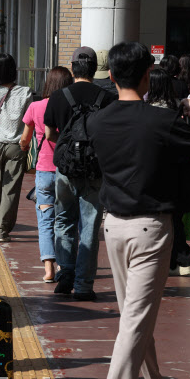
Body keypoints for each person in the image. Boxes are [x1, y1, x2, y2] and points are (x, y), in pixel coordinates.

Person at [87, 41, 190, 379]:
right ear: (147, 76)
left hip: (112, 227)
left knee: (134, 319)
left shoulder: (97, 121)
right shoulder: (161, 121)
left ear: (111, 76)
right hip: (150, 229)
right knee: (135, 322)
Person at [43, 46, 116, 300]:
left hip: (66, 171)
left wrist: (67, 149)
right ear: (95, 69)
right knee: (90, 225)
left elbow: (50, 133)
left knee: (63, 220)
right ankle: (84, 285)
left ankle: (65, 275)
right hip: (95, 171)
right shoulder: (107, 98)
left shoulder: (58, 97)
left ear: (72, 68)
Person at [20, 66, 73, 282]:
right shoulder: (70, 106)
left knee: (45, 220)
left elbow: (24, 139)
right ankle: (65, 263)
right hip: (65, 171)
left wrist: (25, 147)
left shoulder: (35, 106)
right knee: (66, 219)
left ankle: (48, 269)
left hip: (43, 171)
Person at [0, 53, 33, 242]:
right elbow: (28, 122)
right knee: (10, 188)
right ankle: (2, 229)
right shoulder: (26, 92)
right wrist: (26, 143)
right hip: (17, 146)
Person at [146, 68, 190, 277]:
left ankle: (164, 262)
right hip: (178, 171)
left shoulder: (146, 110)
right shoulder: (177, 108)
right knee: (175, 218)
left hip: (154, 172)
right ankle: (182, 260)